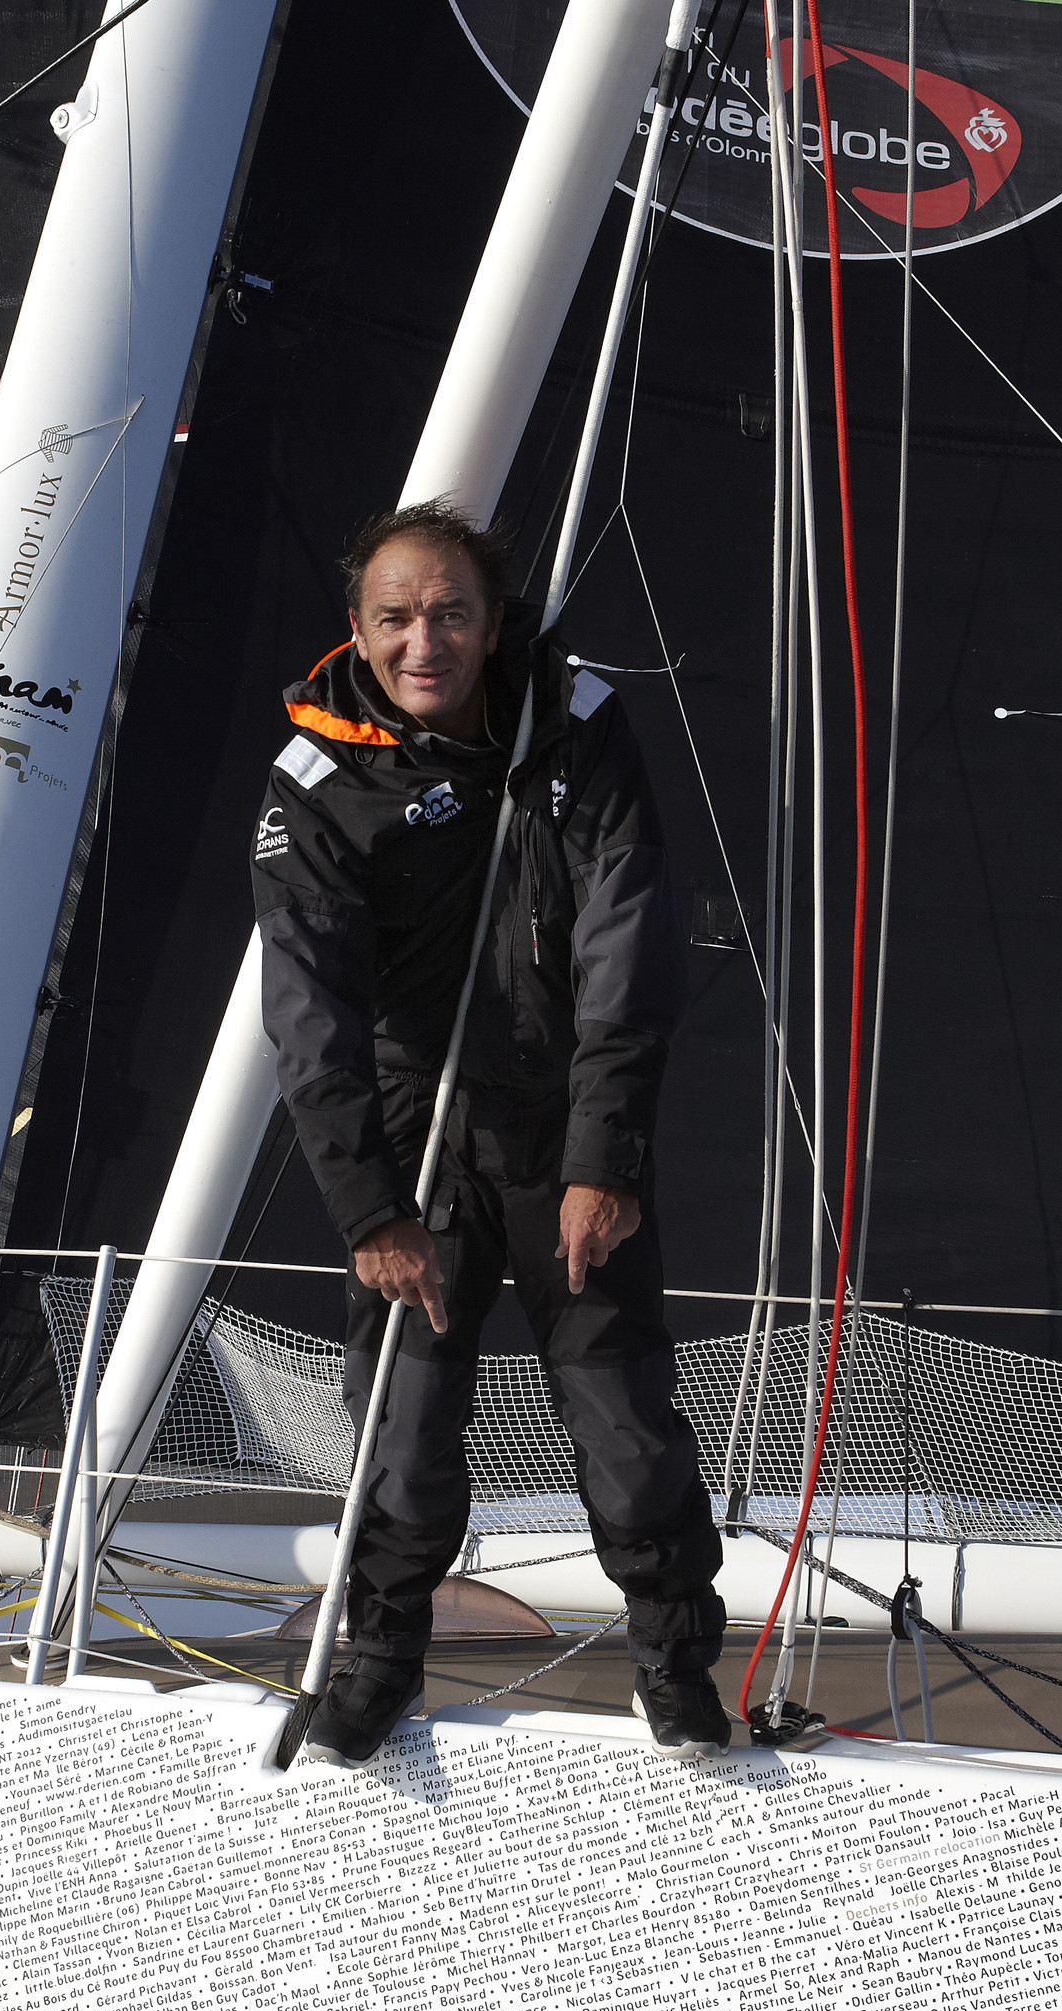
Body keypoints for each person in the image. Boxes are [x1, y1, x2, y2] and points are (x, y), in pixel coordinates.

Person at [251, 498, 727, 1768]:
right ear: (355, 628)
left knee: (625, 1425)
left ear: (492, 618)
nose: (425, 642)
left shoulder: (572, 725)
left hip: (565, 1124)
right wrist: (370, 1215)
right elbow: (306, 1018)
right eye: (397, 617)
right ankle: (379, 1661)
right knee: (401, 1430)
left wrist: (601, 1159)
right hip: (413, 1137)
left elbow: (628, 946)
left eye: (450, 613)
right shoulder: (315, 781)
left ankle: (676, 1666)